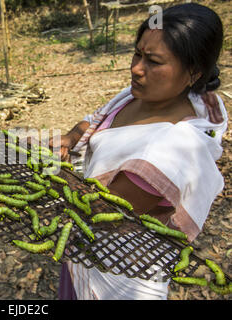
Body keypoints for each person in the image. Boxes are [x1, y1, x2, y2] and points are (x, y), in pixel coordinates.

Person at [51, 3, 227, 300]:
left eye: (154, 61)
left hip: (120, 276)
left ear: (194, 73)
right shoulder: (137, 95)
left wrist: (43, 168)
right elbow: (97, 121)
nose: (136, 68)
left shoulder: (172, 149)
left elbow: (99, 210)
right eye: (137, 53)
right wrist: (70, 137)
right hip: (83, 254)